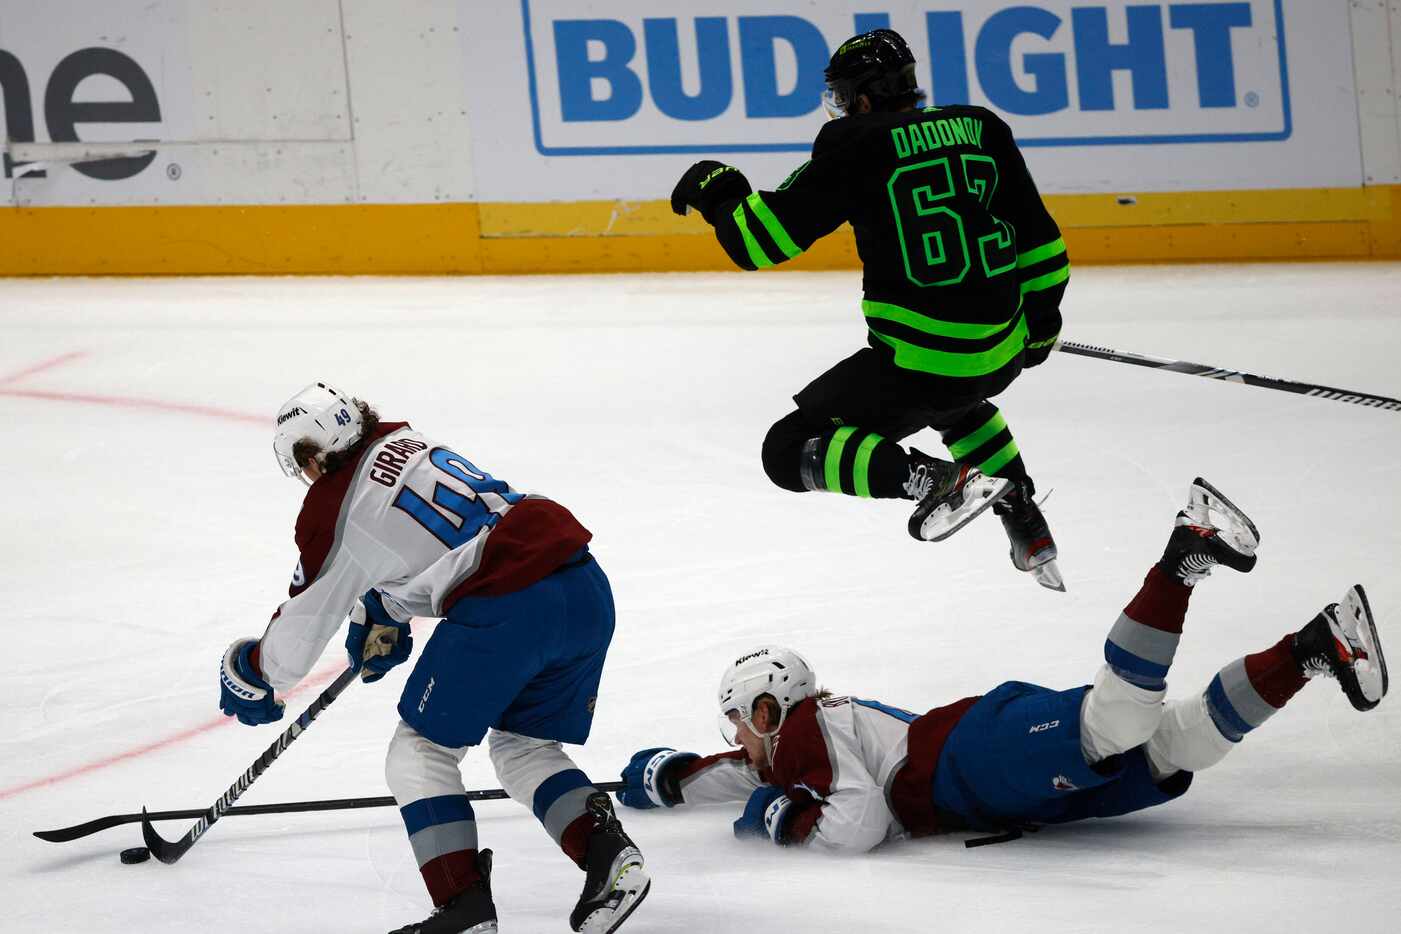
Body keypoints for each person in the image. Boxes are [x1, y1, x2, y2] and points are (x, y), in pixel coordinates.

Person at [615, 479, 1388, 852]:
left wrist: (775, 821)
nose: (734, 739)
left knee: (1119, 719)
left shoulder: (808, 733)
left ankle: (1183, 555)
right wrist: (668, 781)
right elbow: (744, 773)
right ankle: (1314, 647)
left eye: (735, 722)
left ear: (765, 710)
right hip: (984, 779)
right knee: (1177, 745)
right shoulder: (798, 741)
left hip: (968, 761)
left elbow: (855, 825)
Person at [217, 383, 650, 934]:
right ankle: (611, 860)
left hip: (509, 608)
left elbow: (300, 630)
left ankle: (463, 908)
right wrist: (385, 608)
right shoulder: (406, 441)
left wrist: (253, 673)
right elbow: (427, 538)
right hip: (583, 585)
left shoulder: (331, 507)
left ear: (313, 455)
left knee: (418, 754)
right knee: (524, 748)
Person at [671, 29, 1071, 590]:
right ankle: (1022, 512)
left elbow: (759, 242)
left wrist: (719, 190)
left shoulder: (852, 142)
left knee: (785, 452)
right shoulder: (982, 127)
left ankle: (928, 479)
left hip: (919, 362)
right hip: (1000, 350)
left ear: (860, 97)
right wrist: (1043, 322)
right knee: (956, 399)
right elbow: (1042, 242)